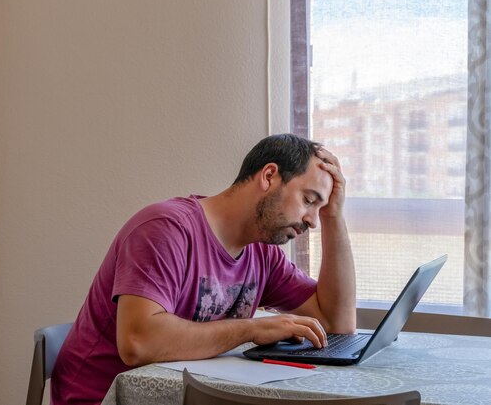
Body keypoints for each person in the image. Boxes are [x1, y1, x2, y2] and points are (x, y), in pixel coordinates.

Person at [51, 134, 356, 405]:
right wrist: (252, 329)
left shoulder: (261, 253)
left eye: (320, 209)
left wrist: (335, 217)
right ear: (269, 176)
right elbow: (137, 343)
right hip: (102, 397)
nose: (312, 221)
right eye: (308, 201)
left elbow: (336, 322)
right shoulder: (164, 229)